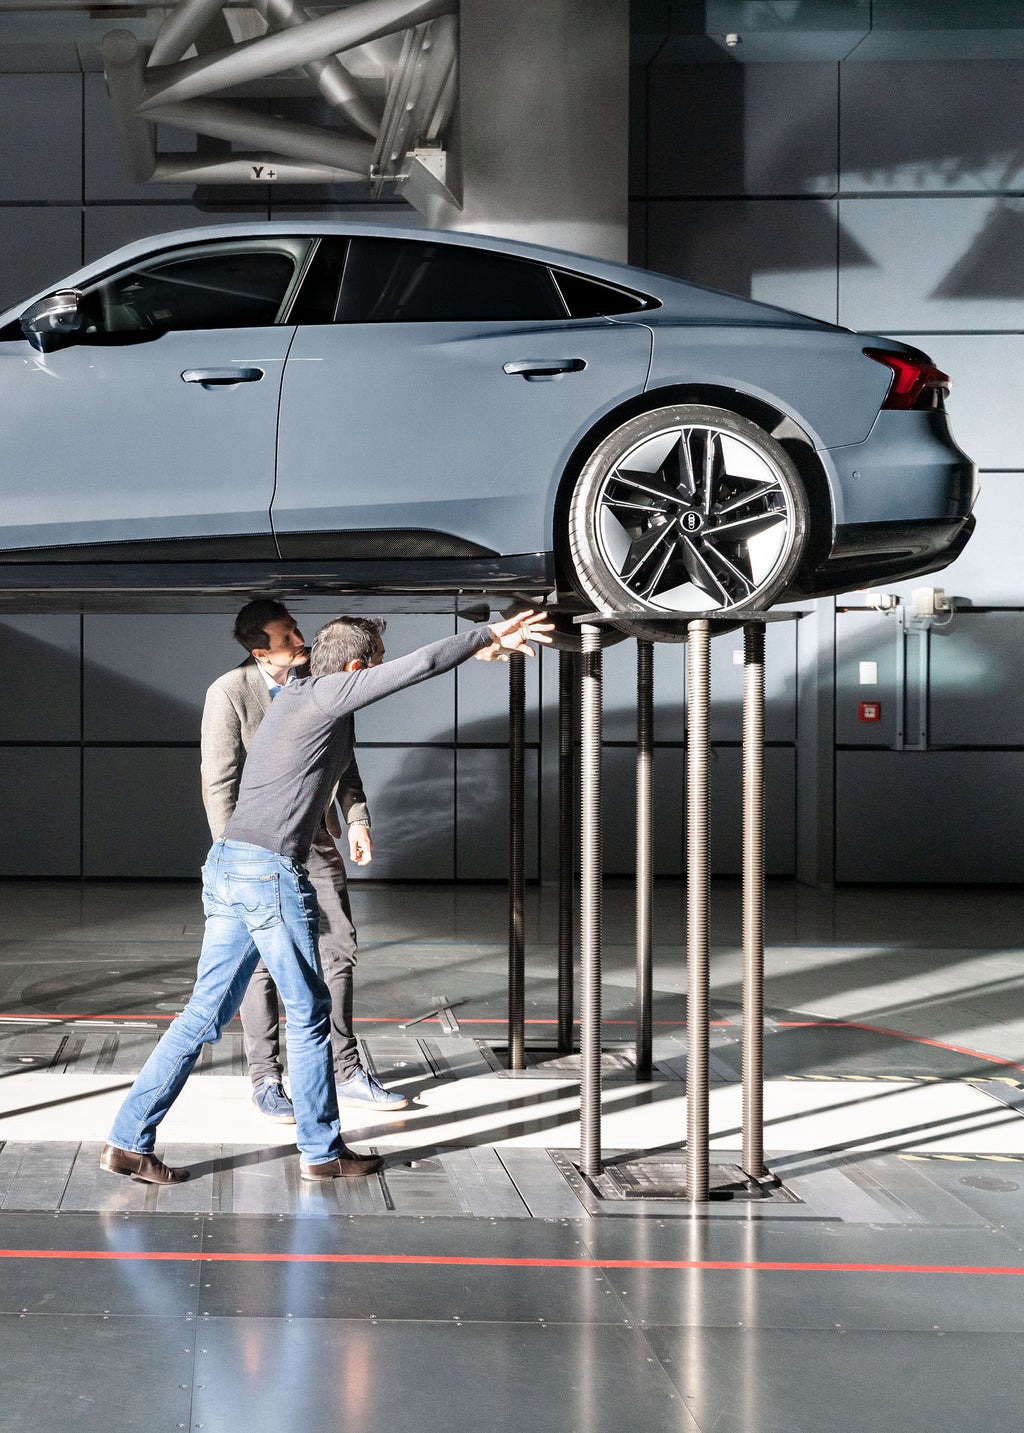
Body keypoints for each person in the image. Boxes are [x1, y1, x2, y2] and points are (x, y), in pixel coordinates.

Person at [100, 609, 553, 1184]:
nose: (383, 669)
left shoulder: (299, 694)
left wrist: (476, 651)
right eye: (376, 663)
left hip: (231, 867)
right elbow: (418, 667)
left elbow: (384, 690)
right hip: (267, 872)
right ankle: (321, 1152)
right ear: (358, 669)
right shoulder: (323, 694)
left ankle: (127, 1141)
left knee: (204, 1014)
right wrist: (484, 634)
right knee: (310, 1013)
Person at [200, 599, 406, 1121]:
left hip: (313, 837)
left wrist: (356, 817)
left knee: (339, 946)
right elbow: (219, 781)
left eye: (296, 628)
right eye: (286, 636)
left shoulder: (320, 677)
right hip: (258, 848)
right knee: (260, 961)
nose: (300, 640)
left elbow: (342, 756)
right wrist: (236, 856)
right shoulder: (229, 692)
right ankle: (267, 1077)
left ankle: (345, 1070)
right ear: (259, 652)